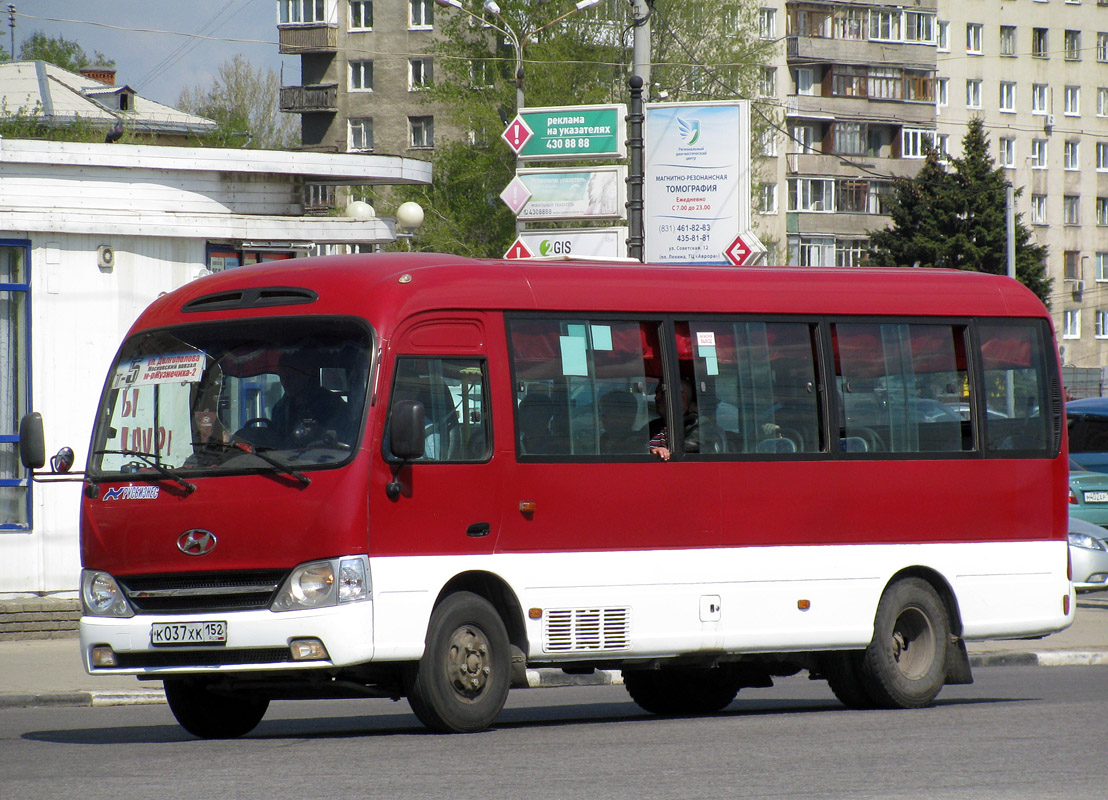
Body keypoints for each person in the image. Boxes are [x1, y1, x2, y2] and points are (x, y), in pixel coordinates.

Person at [271, 349, 350, 447]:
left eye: (291, 377)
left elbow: (343, 442)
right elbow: (274, 442)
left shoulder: (332, 404)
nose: (286, 383)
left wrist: (319, 432)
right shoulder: (279, 409)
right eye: (282, 377)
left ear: (306, 374)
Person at [648, 377, 702, 461]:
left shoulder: (697, 423)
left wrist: (664, 450)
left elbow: (694, 443)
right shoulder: (653, 426)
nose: (656, 397)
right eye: (656, 392)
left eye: (663, 392)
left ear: (681, 398)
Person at [598, 390, 641, 454]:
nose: (603, 418)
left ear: (630, 417)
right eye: (603, 414)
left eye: (610, 414)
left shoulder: (640, 444)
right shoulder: (603, 440)